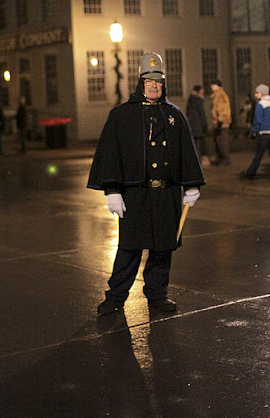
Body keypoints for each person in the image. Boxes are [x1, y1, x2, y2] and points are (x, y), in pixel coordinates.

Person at [88, 52, 205, 315]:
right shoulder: (121, 115)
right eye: (149, 82)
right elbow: (111, 154)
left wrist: (191, 186)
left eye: (158, 82)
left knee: (163, 248)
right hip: (135, 194)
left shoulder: (174, 114)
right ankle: (115, 298)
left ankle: (157, 295)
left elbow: (186, 151)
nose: (154, 86)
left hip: (166, 193)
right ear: (140, 83)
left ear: (164, 84)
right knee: (129, 249)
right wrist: (113, 191)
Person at [240, 84, 270, 181]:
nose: (255, 95)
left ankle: (250, 173)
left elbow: (258, 120)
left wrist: (253, 132)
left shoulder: (260, 104)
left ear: (262, 93)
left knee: (258, 154)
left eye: (257, 93)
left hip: (264, 133)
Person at [186, 85, 210, 168]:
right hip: (199, 125)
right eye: (202, 90)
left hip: (192, 125)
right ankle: (202, 160)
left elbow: (187, 113)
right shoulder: (198, 100)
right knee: (201, 143)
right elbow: (202, 114)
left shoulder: (190, 99)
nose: (203, 91)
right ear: (199, 91)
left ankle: (193, 160)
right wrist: (205, 124)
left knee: (194, 144)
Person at [210, 80, 232, 166]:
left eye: (213, 85)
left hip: (222, 123)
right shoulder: (216, 95)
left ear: (217, 86)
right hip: (218, 122)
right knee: (218, 141)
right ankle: (219, 159)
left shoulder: (221, 95)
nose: (211, 86)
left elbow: (223, 109)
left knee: (222, 142)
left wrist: (220, 121)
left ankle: (225, 159)